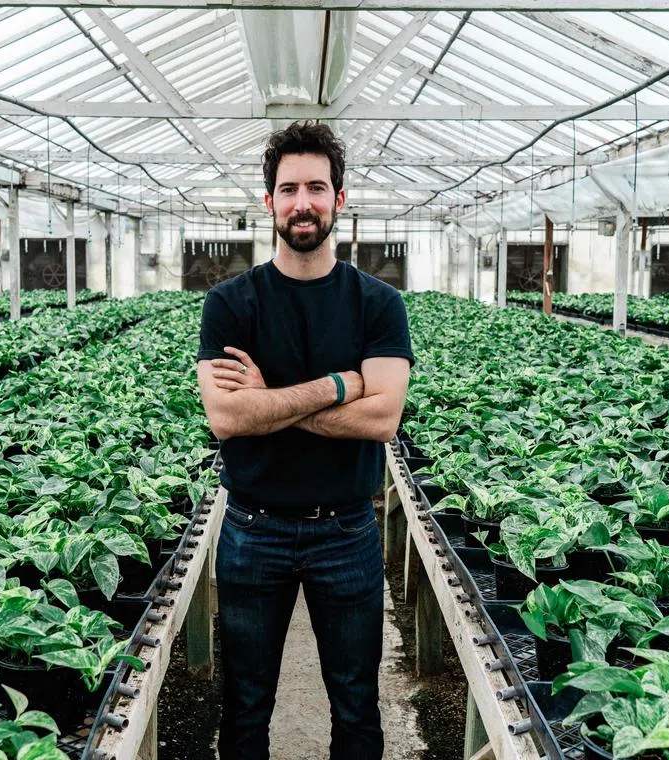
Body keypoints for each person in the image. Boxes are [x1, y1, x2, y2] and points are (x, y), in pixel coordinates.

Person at [195, 121, 413, 760]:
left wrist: (271, 398)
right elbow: (227, 420)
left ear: (339, 199)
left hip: (346, 530)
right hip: (252, 529)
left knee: (356, 704)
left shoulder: (378, 303)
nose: (302, 203)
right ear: (268, 203)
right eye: (288, 189)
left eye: (317, 187)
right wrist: (340, 385)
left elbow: (384, 421)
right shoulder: (230, 302)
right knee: (243, 707)